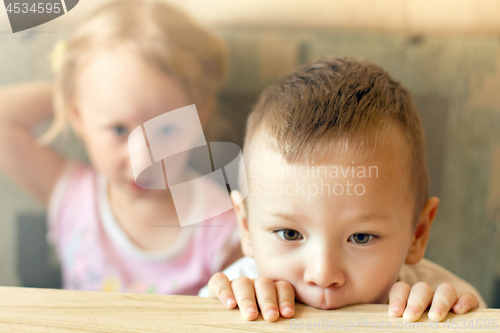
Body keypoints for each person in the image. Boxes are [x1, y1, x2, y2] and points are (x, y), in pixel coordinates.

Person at [200, 57, 486, 321]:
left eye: (361, 237)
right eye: (289, 234)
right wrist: (215, 317)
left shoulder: (441, 304)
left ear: (417, 233)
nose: (323, 275)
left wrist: (444, 323)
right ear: (246, 227)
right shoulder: (236, 298)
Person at [0, 0, 241, 295]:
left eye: (165, 129)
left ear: (199, 117)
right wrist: (80, 91)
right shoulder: (72, 196)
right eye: (118, 129)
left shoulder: (224, 225)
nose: (142, 163)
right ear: (77, 116)